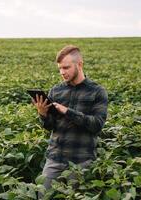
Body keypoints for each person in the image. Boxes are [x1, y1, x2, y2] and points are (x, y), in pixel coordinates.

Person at [32, 45, 108, 193]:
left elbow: (97, 125)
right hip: (55, 158)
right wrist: (43, 114)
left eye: (66, 68)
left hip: (81, 161)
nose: (62, 72)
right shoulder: (56, 90)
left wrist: (67, 111)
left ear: (79, 64)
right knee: (42, 195)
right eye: (60, 68)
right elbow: (50, 126)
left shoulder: (97, 92)